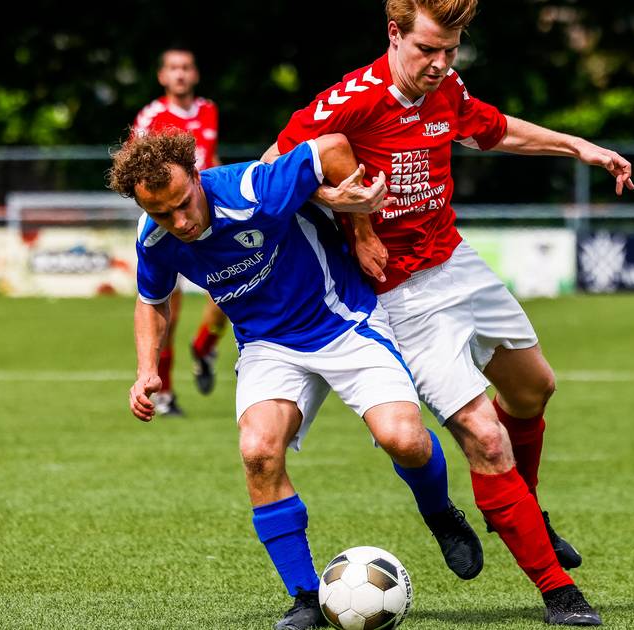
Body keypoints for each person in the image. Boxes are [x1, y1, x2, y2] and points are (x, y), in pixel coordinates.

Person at [265, 0, 634, 624]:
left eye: (451, 51)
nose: (439, 64)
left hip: (457, 262)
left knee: (535, 389)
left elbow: (494, 130)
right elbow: (275, 175)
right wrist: (348, 210)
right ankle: (557, 592)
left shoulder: (448, 87)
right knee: (486, 438)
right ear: (394, 34)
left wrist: (579, 147)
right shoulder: (347, 103)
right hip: (398, 295)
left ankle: (523, 509)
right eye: (427, 50)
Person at [108, 130, 481, 630]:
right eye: (162, 214)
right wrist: (146, 369)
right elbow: (151, 301)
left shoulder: (251, 189)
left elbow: (331, 145)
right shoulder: (154, 237)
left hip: (342, 320)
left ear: (197, 177)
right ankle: (306, 597)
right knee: (258, 451)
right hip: (268, 346)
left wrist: (363, 231)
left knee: (405, 439)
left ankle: (440, 515)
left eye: (183, 203)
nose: (180, 222)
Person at [131, 47, 228, 414]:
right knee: (165, 308)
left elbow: (210, 159)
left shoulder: (208, 110)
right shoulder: (151, 116)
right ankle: (166, 394)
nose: (180, 74)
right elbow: (135, 173)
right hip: (171, 223)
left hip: (207, 216)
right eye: (173, 68)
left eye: (186, 67)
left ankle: (203, 347)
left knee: (228, 294)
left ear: (195, 74)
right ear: (162, 76)